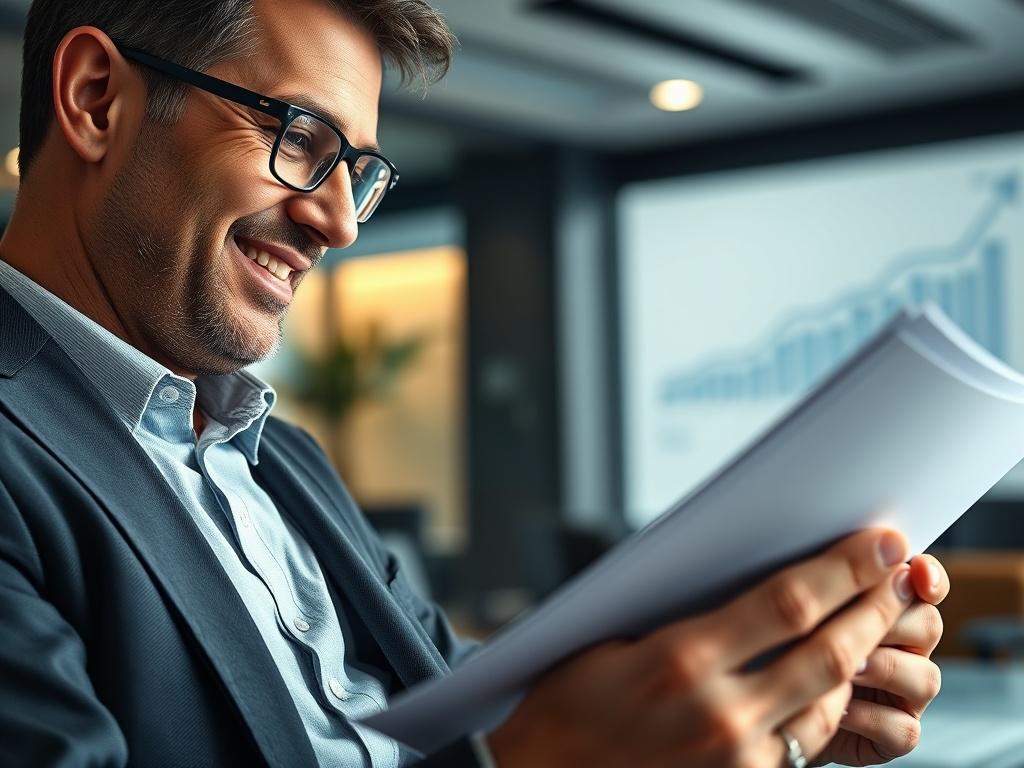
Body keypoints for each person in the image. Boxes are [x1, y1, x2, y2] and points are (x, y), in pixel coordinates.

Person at [0, 1, 950, 766]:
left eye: (359, 171)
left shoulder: (284, 463)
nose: (339, 221)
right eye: (300, 135)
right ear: (94, 98)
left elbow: (459, 698)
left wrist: (739, 697)